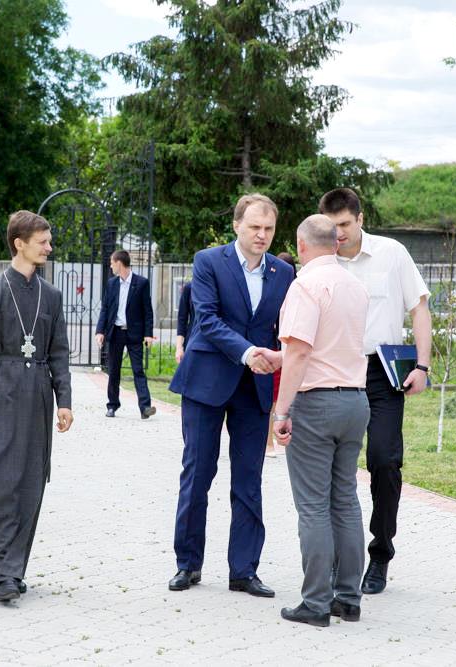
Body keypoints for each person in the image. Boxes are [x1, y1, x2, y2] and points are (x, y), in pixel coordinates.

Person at [168, 193, 295, 597]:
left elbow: (284, 327)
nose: (262, 234)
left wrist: (278, 359)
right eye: (254, 226)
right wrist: (247, 352)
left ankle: (244, 570)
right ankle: (188, 564)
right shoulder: (209, 261)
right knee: (198, 473)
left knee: (249, 479)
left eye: (269, 228)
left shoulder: (283, 272)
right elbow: (206, 318)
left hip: (255, 387)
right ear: (237, 225)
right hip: (207, 380)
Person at [320, 187, 432, 595]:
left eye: (345, 225)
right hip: (336, 371)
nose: (338, 234)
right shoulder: (322, 260)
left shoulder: (392, 254)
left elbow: (419, 308)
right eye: (331, 226)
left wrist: (422, 365)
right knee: (335, 468)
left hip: (382, 373)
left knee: (384, 462)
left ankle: (380, 553)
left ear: (360, 219)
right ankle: (338, 558)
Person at [0, 210, 74, 602]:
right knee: (0, 481)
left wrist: (64, 401)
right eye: (42, 242)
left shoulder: (52, 296)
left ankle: (12, 569)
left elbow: (59, 353)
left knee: (30, 482)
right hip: (2, 392)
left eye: (49, 240)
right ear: (19, 244)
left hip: (38, 393)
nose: (49, 247)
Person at [271, 215, 370, 627]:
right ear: (336, 243)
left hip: (316, 404)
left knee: (313, 505)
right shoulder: (355, 286)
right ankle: (349, 597)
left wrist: (282, 411)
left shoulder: (306, 285)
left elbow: (299, 352)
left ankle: (315, 602)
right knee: (345, 499)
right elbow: (333, 344)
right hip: (355, 400)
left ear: (300, 244)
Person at [94, 249, 157, 419]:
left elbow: (147, 311)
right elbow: (105, 309)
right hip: (115, 332)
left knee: (138, 370)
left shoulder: (141, 283)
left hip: (134, 333)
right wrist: (100, 331)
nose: (111, 266)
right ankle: (112, 405)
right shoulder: (111, 284)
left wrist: (148, 334)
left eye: (112, 263)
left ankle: (145, 407)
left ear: (119, 263)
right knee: (114, 371)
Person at [266, 251, 297, 458]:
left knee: (278, 398)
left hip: (285, 349)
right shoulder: (273, 291)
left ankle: (273, 441)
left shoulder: (297, 292)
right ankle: (270, 442)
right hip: (278, 349)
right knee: (275, 397)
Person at [174, 280, 193, 364]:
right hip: (192, 340)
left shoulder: (219, 286)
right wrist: (179, 348)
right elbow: (182, 319)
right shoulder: (189, 287)